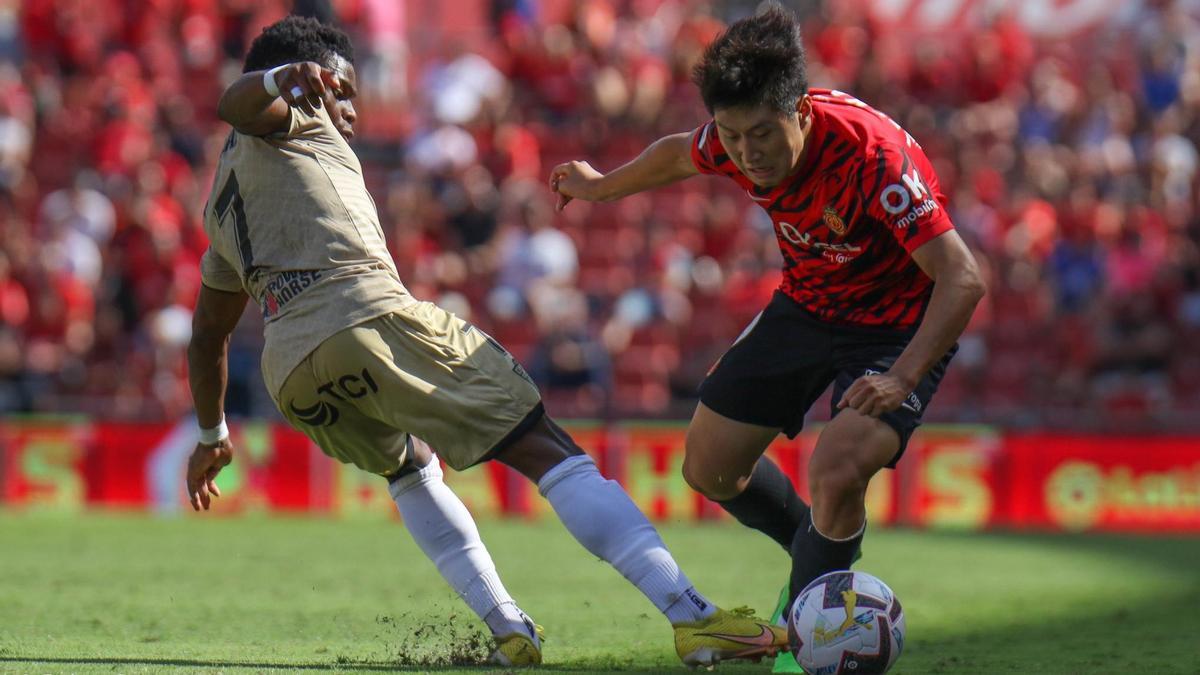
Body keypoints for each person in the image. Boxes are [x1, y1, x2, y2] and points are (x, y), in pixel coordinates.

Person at [184, 15, 786, 669]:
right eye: (341, 85)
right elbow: (236, 101)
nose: (349, 102)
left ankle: (508, 628)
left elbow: (208, 331)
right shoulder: (289, 113)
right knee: (547, 448)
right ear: (300, 79)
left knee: (410, 468)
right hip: (362, 314)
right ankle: (693, 618)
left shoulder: (220, 198)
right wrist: (282, 80)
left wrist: (214, 432)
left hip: (293, 371)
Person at [550, 6, 985, 671]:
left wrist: (900, 375)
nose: (747, 154)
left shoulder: (873, 160)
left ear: (802, 114)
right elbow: (674, 155)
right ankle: (824, 553)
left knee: (839, 468)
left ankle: (805, 622)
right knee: (708, 468)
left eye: (762, 134)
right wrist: (602, 187)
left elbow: (962, 277)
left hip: (894, 326)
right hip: (807, 304)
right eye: (732, 135)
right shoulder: (729, 143)